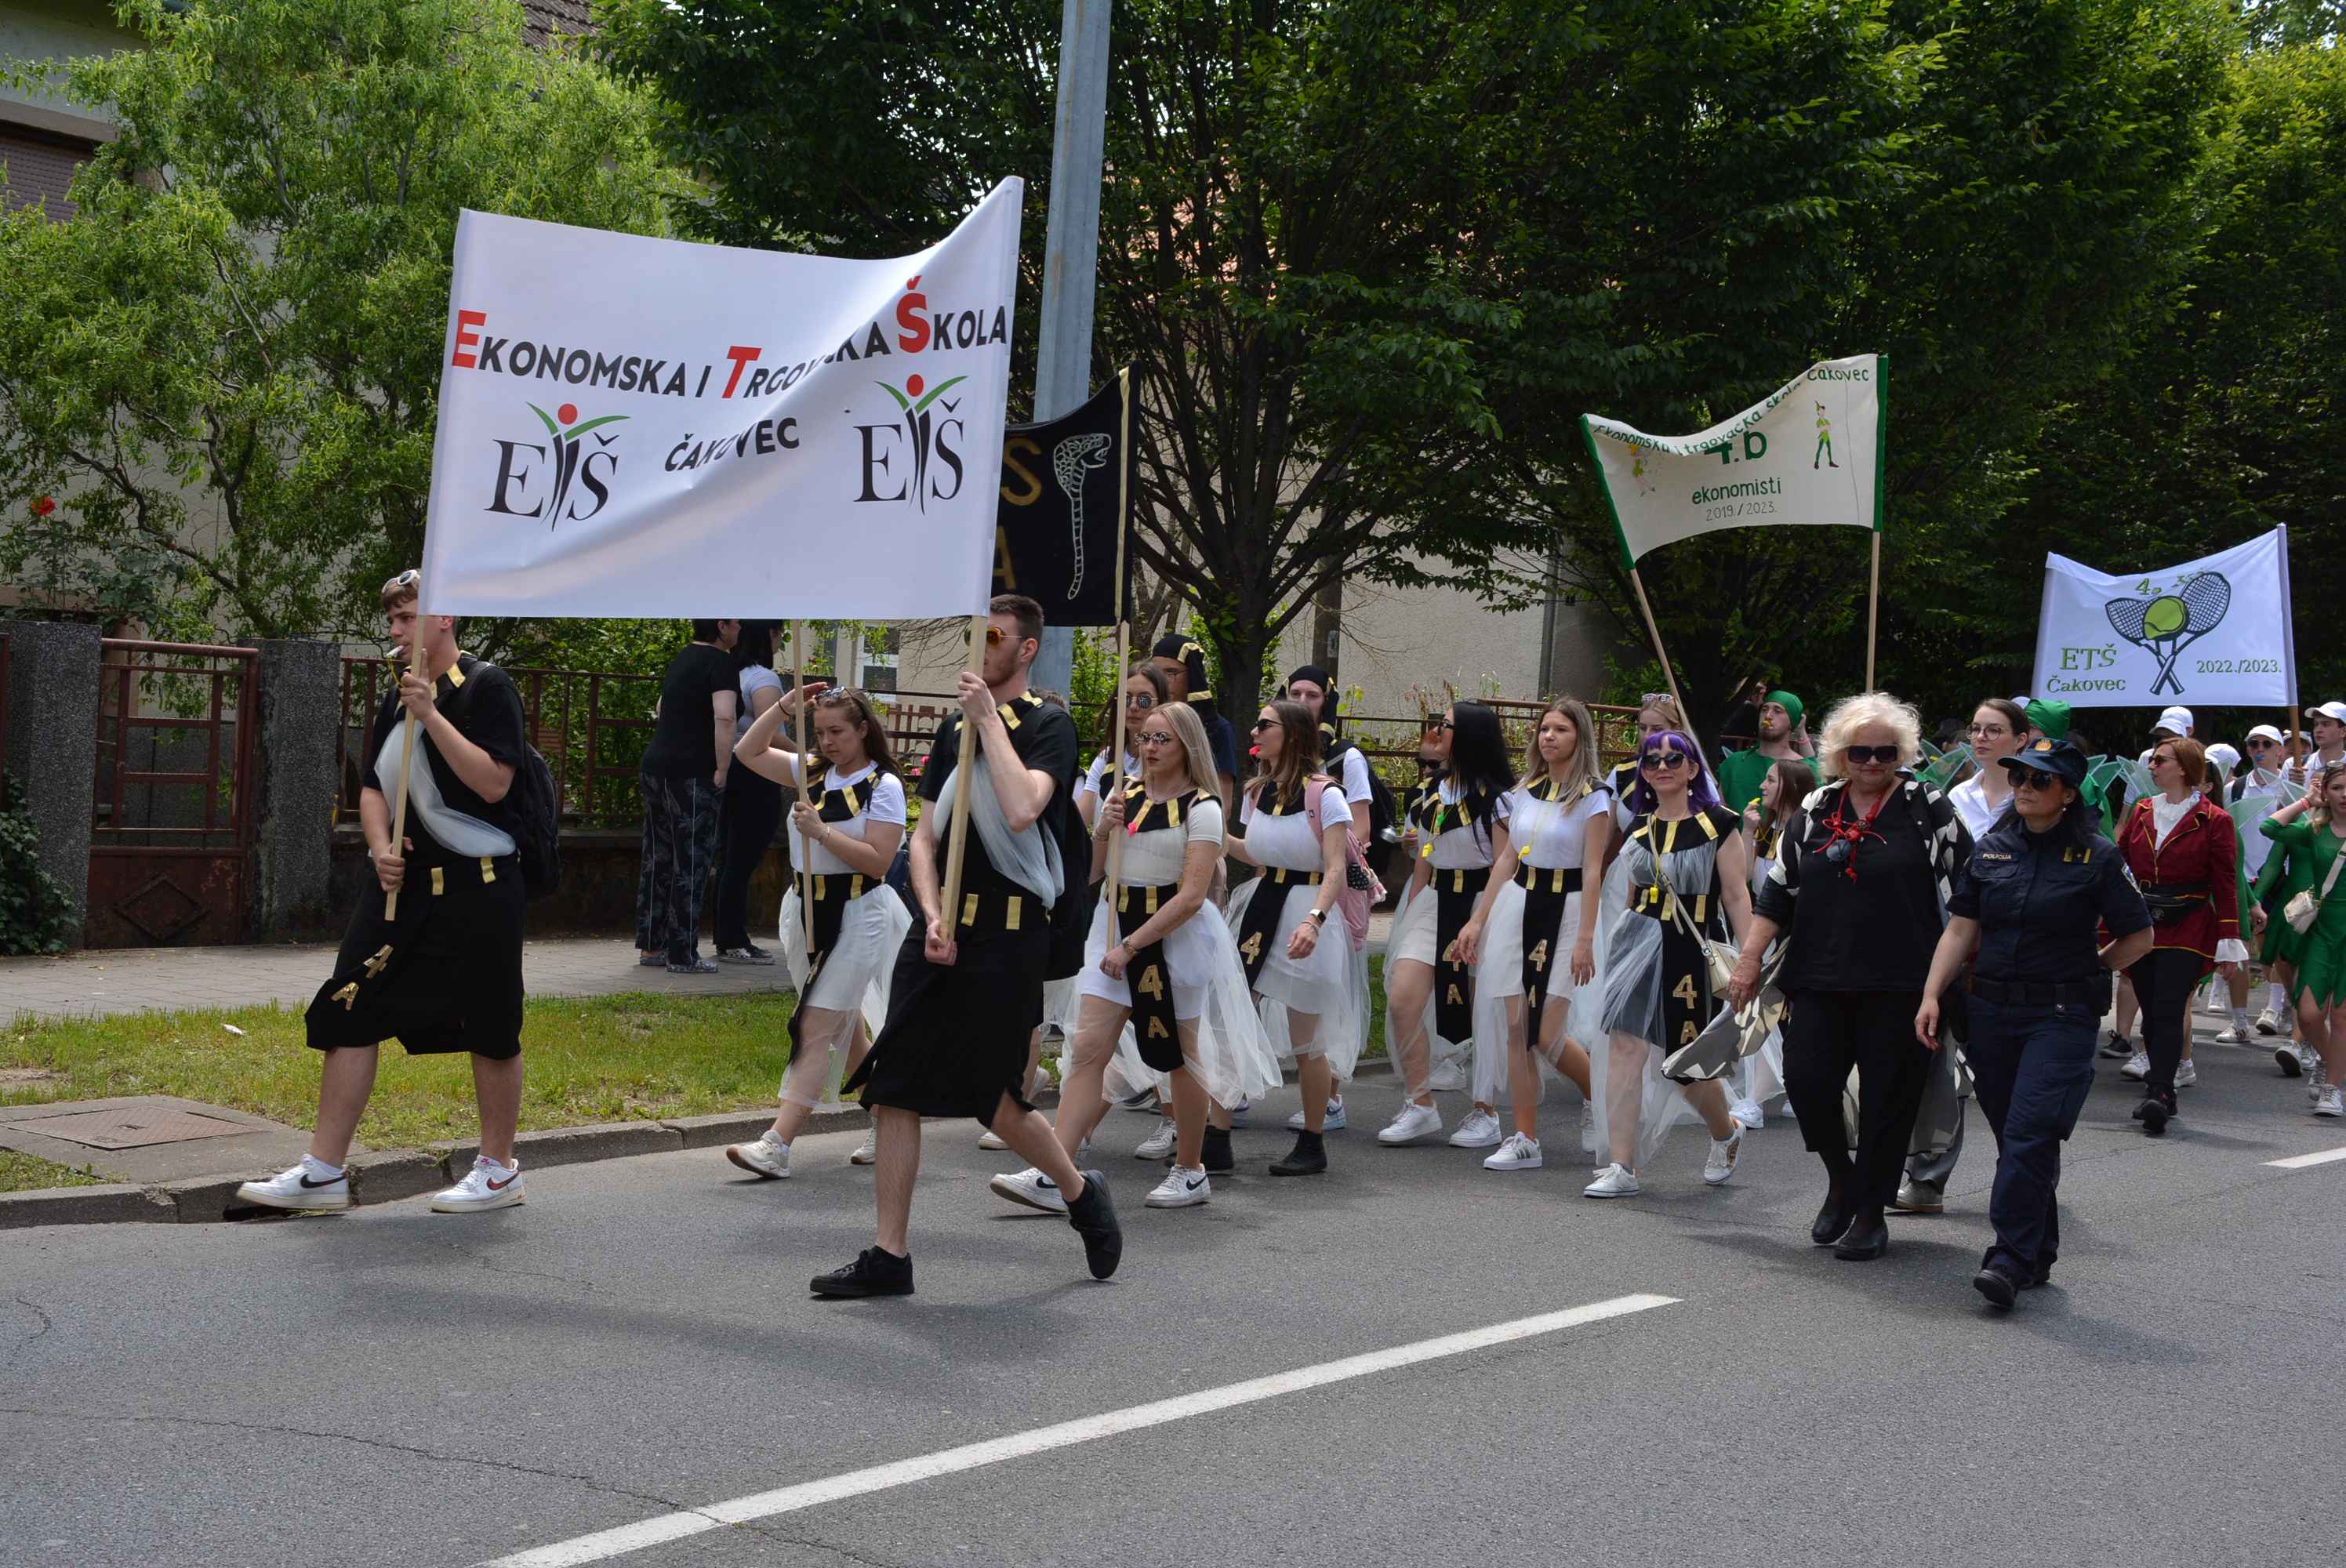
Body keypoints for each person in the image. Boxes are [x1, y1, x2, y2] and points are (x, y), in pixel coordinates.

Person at [811, 596, 1121, 1298]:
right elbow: (925, 837)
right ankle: (890, 1256)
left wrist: (989, 720)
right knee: (894, 1090)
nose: (979, 646)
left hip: (1011, 935)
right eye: (973, 633)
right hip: (940, 927)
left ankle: (1078, 1192)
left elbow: (1022, 807)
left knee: (996, 1101)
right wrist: (930, 909)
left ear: (1027, 649)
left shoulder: (1050, 725)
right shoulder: (953, 729)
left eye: (993, 636)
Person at [238, 570, 532, 1214]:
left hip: (477, 887)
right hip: (402, 889)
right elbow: (373, 784)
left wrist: (432, 714)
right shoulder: (396, 697)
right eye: (393, 620)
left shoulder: (485, 688)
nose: (395, 632)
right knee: (350, 1003)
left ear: (445, 617)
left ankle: (499, 1169)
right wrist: (379, 847)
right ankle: (324, 1172)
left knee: (490, 1022)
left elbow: (493, 784)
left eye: (406, 618)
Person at [998, 700, 1278, 1211]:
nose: (1147, 748)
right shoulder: (1125, 795)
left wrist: (1133, 946)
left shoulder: (1204, 809)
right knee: (1087, 1051)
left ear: (1186, 746)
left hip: (1172, 940)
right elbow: (1094, 872)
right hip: (1113, 927)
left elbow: (1192, 895)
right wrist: (1101, 830)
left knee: (1180, 1057)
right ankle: (1057, 1171)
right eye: (1143, 738)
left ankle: (1191, 1171)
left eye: (1160, 739)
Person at [1727, 693, 1972, 1259]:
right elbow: (1777, 892)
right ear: (1840, 753)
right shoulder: (1816, 805)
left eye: (1886, 751)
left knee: (1891, 1100)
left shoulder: (1924, 803)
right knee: (1809, 1084)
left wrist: (1952, 975)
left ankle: (1869, 1212)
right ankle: (1842, 1179)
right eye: (1860, 751)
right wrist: (1747, 963)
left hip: (1904, 982)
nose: (1872, 761)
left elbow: (1969, 889)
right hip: (1819, 976)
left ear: (1901, 752)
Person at [1916, 738, 2153, 1309]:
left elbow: (2140, 936)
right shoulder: (1993, 848)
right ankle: (2038, 1246)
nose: (2024, 786)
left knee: (2029, 1132)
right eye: (2019, 776)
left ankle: (2008, 1258)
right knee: (2019, 1138)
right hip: (1992, 1012)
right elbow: (1961, 927)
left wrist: (2089, 971)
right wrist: (1930, 994)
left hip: (2061, 1016)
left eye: (2039, 780)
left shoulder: (2098, 856)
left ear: (2068, 794)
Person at [722, 685, 910, 1180]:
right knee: (846, 1029)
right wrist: (784, 707)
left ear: (863, 730)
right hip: (805, 909)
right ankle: (886, 1117)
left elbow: (880, 861)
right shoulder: (810, 771)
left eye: (837, 732)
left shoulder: (883, 786)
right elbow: (747, 752)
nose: (827, 742)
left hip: (856, 914)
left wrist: (824, 832)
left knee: (815, 1026)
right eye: (820, 732)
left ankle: (776, 1143)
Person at [1583, 728, 1753, 1197]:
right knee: (1625, 1047)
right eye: (1651, 760)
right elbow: (1634, 895)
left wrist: (1750, 960)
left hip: (1689, 946)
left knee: (1683, 1064)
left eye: (1672, 760)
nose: (1660, 767)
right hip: (1636, 939)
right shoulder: (1638, 826)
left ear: (1693, 770)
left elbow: (1737, 896)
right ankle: (1623, 1166)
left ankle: (1726, 1130)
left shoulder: (1721, 824)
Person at [1219, 699, 1363, 1176]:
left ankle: (1313, 1140)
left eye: (1266, 724)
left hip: (1306, 910)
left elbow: (1336, 867)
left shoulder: (1326, 795)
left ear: (1294, 735)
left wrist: (1315, 921)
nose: (1255, 730)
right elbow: (1260, 853)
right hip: (1261, 905)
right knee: (1232, 1014)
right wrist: (1212, 836)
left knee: (1307, 1038)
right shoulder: (1257, 791)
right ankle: (1217, 1134)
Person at [1378, 701, 1518, 1149]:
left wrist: (1481, 920)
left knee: (1484, 1010)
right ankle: (1420, 1104)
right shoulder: (1434, 790)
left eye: (1447, 726)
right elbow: (1426, 851)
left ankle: (1486, 1111)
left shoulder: (1498, 801)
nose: (1437, 731)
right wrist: (1414, 897)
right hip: (1435, 899)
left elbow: (1505, 864)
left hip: (1483, 904)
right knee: (1404, 997)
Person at [1480, 698, 1608, 1171]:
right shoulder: (1524, 791)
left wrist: (1585, 939)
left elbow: (1593, 870)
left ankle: (1599, 1094)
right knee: (1518, 1028)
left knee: (1547, 1033)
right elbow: (1508, 859)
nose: (1548, 737)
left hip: (1569, 909)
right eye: (1544, 729)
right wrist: (1479, 919)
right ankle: (1525, 1137)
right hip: (1521, 904)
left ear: (1581, 738)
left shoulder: (1594, 796)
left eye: (1560, 730)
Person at [2112, 733, 2243, 1135]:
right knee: (2152, 1009)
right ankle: (2160, 1086)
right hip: (2142, 923)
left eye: (2160, 760)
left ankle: (2161, 1092)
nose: (2151, 766)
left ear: (2184, 768)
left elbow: (2225, 883)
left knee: (2169, 1006)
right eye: (2152, 760)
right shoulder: (2141, 810)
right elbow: (2118, 864)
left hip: (2188, 924)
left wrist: (2228, 940)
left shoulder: (2215, 819)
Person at [636, 619, 740, 974]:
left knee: (658, 857)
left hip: (655, 767)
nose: (740, 628)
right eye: (736, 622)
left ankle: (652, 947)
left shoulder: (682, 658)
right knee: (692, 861)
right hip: (694, 774)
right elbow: (725, 717)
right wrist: (722, 769)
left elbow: (663, 708)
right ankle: (684, 954)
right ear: (722, 626)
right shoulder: (722, 664)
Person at [2257, 769, 2346, 1116]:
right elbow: (2271, 828)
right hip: (2322, 933)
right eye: (2337, 788)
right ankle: (2331, 1060)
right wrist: (2306, 802)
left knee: (2340, 1016)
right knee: (2309, 1016)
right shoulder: (2315, 830)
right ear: (2326, 792)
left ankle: (2332, 1088)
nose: (2344, 794)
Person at [712, 622, 786, 966]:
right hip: (758, 771)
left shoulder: (728, 671)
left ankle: (726, 935)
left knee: (728, 858)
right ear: (767, 635)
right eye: (778, 632)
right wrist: (816, 758)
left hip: (726, 769)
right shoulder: (764, 679)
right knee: (742, 860)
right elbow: (769, 734)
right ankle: (732, 939)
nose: (781, 640)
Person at [1149, 633, 1240, 809]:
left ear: (1192, 675)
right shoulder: (1143, 721)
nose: (1162, 682)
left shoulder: (1217, 729)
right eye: (1156, 674)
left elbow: (1224, 804)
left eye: (1171, 673)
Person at [1715, 689, 1807, 815]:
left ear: (1792, 722)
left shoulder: (1804, 769)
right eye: (1764, 709)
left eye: (1778, 711)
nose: (1768, 716)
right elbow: (1718, 811)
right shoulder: (1734, 762)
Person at [1948, 699, 2028, 840]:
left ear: (2020, 740)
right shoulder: (1958, 796)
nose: (1980, 737)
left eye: (1994, 730)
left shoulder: (2034, 795)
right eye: (1975, 729)